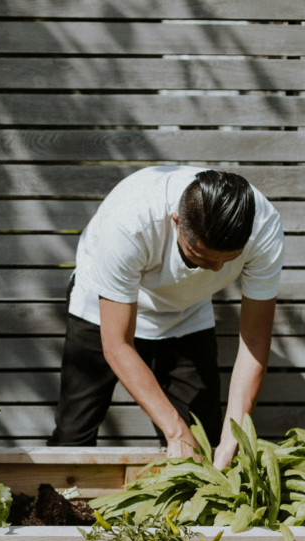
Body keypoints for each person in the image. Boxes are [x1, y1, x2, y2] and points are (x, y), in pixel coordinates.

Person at [48, 166, 284, 469]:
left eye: (227, 261)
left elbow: (254, 340)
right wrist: (174, 431)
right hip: (102, 309)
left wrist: (231, 439)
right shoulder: (130, 222)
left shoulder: (263, 228)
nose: (214, 271)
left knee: (203, 442)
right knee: (73, 437)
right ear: (176, 223)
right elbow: (117, 345)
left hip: (187, 312)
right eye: (199, 257)